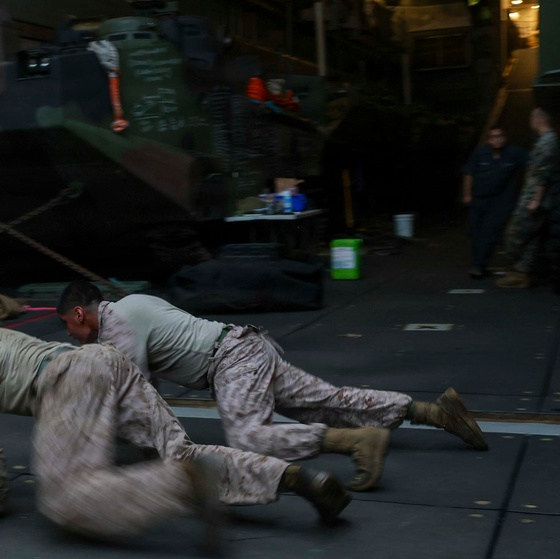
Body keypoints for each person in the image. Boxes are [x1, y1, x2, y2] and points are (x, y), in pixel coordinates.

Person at [0, 308, 351, 547]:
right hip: (106, 364)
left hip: (67, 381)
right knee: (180, 452)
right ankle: (289, 475)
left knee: (63, 500)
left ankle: (185, 485)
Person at [56, 283, 488, 492]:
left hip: (231, 363)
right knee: (327, 400)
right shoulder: (135, 301)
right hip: (247, 346)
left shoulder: (116, 329)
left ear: (80, 314)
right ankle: (437, 412)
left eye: (68, 328)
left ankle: (358, 443)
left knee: (248, 437)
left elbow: (138, 398)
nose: (73, 337)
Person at [496, 108, 559, 289]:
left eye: (532, 117)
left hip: (534, 199)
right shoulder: (545, 140)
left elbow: (543, 174)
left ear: (538, 119)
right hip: (535, 198)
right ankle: (521, 274)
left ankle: (518, 270)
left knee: (515, 233)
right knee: (532, 238)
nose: (530, 121)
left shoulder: (548, 141)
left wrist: (536, 200)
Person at [462, 126, 527, 279]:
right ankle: (480, 263)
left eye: (500, 136)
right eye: (493, 137)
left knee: (489, 232)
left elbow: (534, 162)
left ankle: (478, 266)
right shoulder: (480, 153)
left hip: (500, 200)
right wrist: (467, 194)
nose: (497, 139)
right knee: (475, 231)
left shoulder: (514, 153)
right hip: (479, 198)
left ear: (505, 138)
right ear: (488, 140)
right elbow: (469, 173)